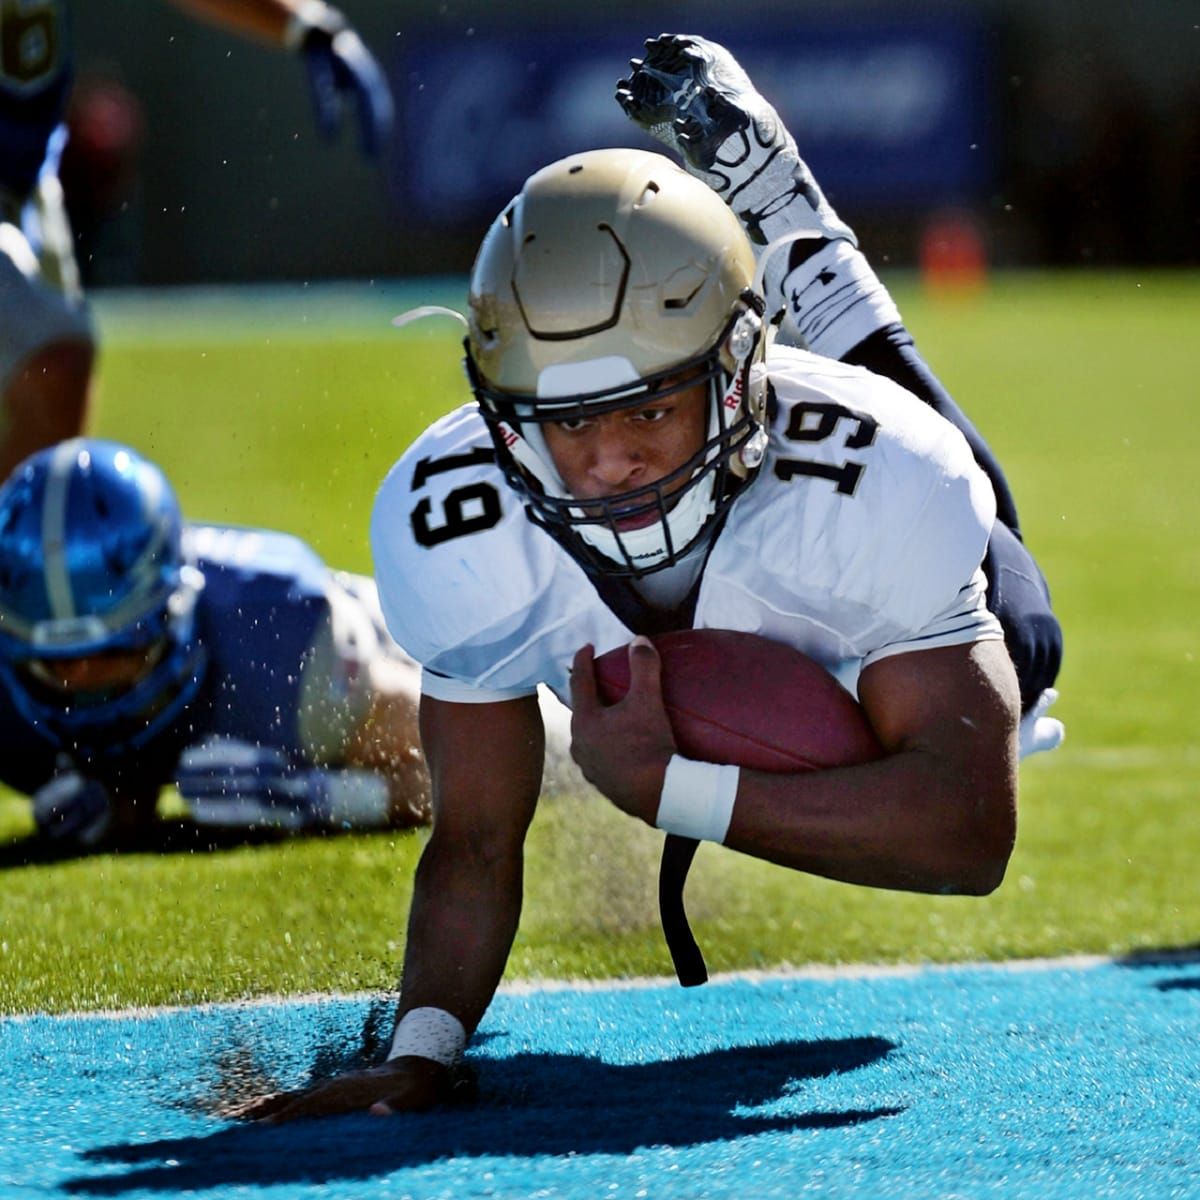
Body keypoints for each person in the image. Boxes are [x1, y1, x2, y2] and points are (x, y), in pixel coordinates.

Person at [236, 34, 1064, 1122]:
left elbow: (967, 835)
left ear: (733, 379)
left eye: (649, 409)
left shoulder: (880, 481)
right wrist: (423, 1051)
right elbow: (475, 837)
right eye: (566, 419)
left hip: (832, 474)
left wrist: (674, 790)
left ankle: (800, 239)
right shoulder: (456, 522)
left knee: (1023, 626)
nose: (609, 459)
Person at [0, 0, 393, 481]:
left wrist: (302, 25)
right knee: (56, 360)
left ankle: (22, 550)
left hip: (26, 176)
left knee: (58, 392)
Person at [0, 437, 430, 851]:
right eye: (52, 664)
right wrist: (118, 800)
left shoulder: (281, 640)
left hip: (400, 640)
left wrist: (317, 796)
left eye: (112, 652)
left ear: (174, 610)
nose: (82, 682)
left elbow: (459, 771)